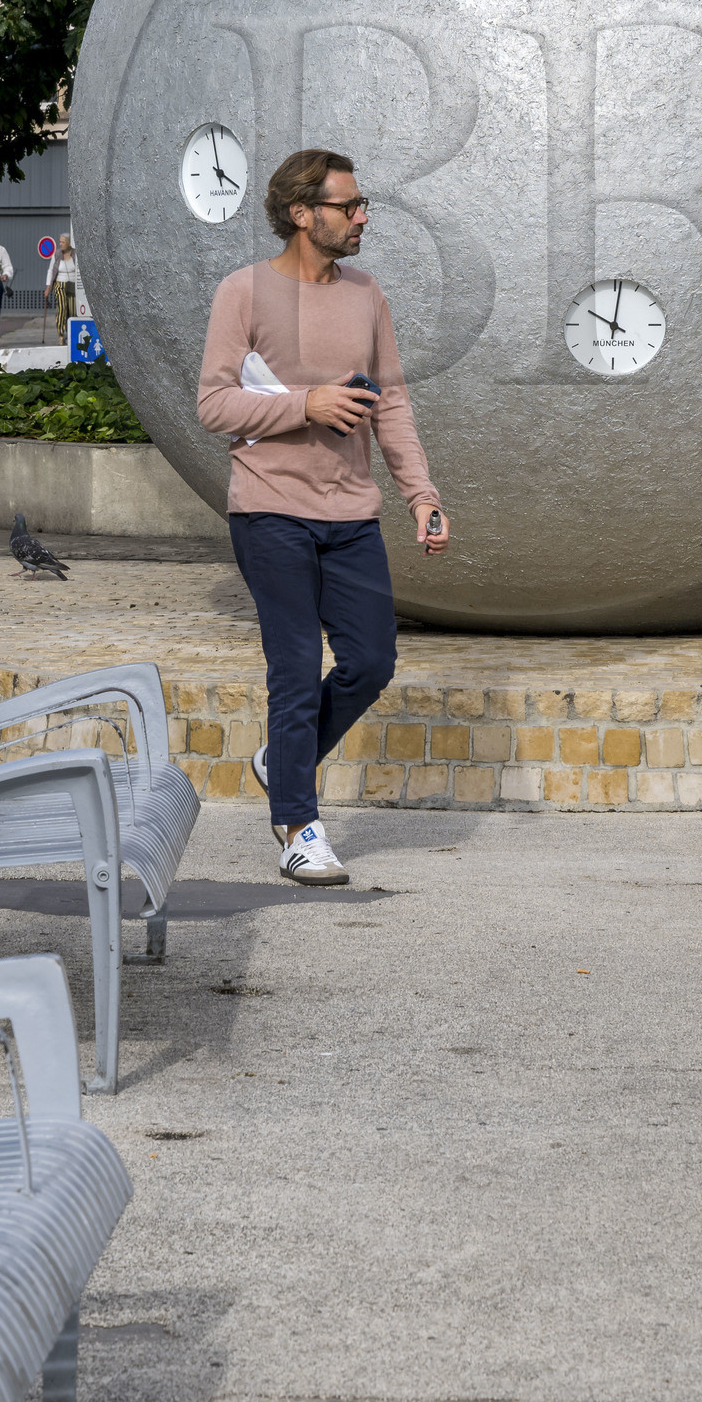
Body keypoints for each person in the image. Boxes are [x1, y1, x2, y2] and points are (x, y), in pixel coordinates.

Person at [197, 148, 450, 888]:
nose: (363, 217)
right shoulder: (241, 293)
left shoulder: (367, 295)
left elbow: (391, 401)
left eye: (362, 204)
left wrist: (422, 495)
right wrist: (302, 404)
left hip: (351, 513)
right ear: (303, 214)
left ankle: (284, 761)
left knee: (372, 661)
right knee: (296, 672)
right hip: (269, 509)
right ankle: (298, 826)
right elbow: (213, 405)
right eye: (350, 206)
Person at [45, 232, 80, 341]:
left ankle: (72, 334)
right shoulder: (56, 254)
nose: (60, 244)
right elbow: (50, 270)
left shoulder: (75, 254)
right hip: (60, 284)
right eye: (60, 241)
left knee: (73, 310)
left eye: (63, 242)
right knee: (62, 309)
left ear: (69, 243)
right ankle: (61, 334)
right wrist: (48, 287)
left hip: (73, 285)